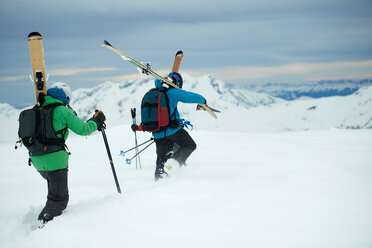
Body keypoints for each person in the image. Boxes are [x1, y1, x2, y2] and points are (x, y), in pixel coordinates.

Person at [30, 82, 106, 226]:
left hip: (37, 159)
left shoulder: (38, 109)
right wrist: (96, 121)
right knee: (58, 200)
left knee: (54, 194)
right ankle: (41, 229)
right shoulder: (63, 111)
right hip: (55, 161)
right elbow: (83, 129)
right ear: (66, 97)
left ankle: (46, 225)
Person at [131, 72, 207, 181]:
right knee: (189, 145)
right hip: (173, 131)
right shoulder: (173, 92)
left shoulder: (154, 92)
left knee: (161, 159)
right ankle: (173, 164)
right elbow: (190, 96)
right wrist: (203, 100)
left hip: (157, 133)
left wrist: (138, 127)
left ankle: (158, 180)